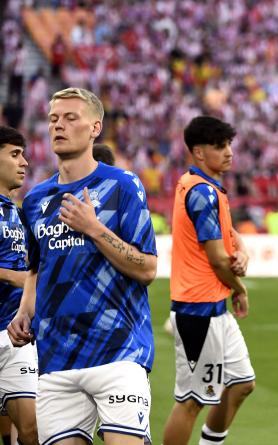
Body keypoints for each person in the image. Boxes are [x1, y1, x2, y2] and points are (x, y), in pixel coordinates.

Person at [7, 87, 158, 445]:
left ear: (95, 128)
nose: (58, 126)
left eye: (70, 118)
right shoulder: (35, 201)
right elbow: (35, 267)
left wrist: (94, 228)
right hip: (56, 360)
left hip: (118, 353)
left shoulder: (122, 186)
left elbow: (148, 268)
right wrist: (24, 312)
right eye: (53, 119)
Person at [163, 116, 255, 445]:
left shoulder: (202, 185)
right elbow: (217, 258)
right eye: (220, 147)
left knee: (242, 382)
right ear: (199, 153)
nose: (229, 152)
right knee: (192, 400)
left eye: (229, 144)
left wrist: (241, 250)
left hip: (213, 307)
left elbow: (226, 235)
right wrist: (240, 287)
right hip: (198, 308)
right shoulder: (203, 192)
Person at [0, 126, 37, 445]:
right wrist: (17, 277)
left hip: (15, 338)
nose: (24, 162)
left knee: (32, 430)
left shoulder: (19, 213)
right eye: (14, 154)